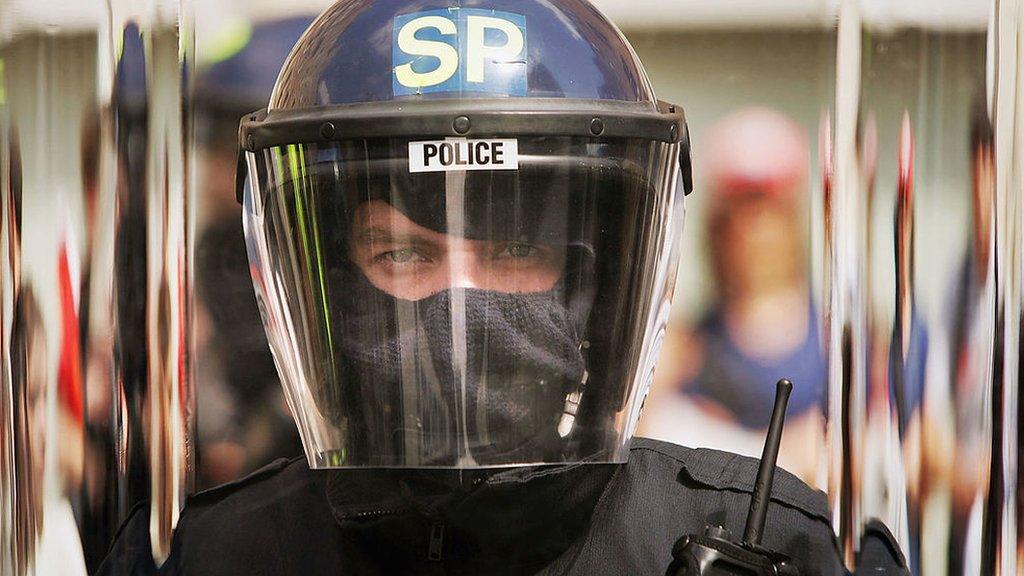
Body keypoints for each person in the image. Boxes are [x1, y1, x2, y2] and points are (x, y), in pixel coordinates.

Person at [97, 2, 907, 574]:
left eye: (515, 246)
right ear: (334, 291)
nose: (463, 304)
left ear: (598, 280)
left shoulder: (776, 548)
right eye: (403, 256)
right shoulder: (207, 559)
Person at [642, 108, 826, 485]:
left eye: (765, 208)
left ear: (793, 219)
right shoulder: (684, 352)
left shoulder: (852, 346)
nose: (751, 233)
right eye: (735, 212)